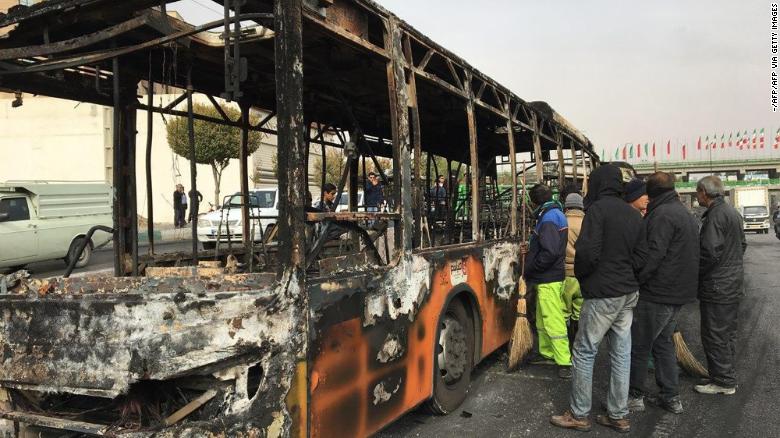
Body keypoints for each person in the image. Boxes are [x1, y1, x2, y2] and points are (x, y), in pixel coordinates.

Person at [550, 164, 643, 434]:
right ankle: (618, 414)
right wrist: (630, 276)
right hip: (628, 293)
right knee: (621, 353)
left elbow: (587, 254)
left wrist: (586, 280)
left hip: (603, 293)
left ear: (600, 183)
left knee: (584, 350)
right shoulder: (633, 213)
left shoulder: (597, 211)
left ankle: (579, 414)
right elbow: (643, 256)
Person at [628, 172, 700, 415]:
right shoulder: (683, 212)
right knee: (663, 344)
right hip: (679, 292)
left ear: (652, 192)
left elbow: (654, 255)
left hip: (658, 292)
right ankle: (671, 397)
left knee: (640, 345)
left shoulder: (662, 215)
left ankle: (635, 396)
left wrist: (639, 279)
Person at [694, 176, 746, 395]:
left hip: (717, 285)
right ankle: (723, 374)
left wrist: (697, 274)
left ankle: (723, 381)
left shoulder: (715, 216)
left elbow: (709, 253)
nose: (697, 197)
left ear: (704, 192)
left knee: (715, 333)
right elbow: (742, 244)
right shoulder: (732, 213)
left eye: (697, 193)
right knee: (727, 333)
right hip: (732, 282)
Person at [524, 184, 571, 379]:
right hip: (550, 276)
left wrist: (532, 267)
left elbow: (550, 251)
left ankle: (564, 361)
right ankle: (547, 353)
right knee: (544, 318)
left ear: (535, 202)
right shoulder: (554, 213)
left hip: (548, 277)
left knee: (553, 320)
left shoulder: (549, 218)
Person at [562, 193, 585, 348]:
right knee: (579, 312)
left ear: (567, 206)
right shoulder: (588, 222)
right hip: (583, 275)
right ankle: (578, 345)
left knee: (564, 312)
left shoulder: (562, 222)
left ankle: (565, 346)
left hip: (565, 273)